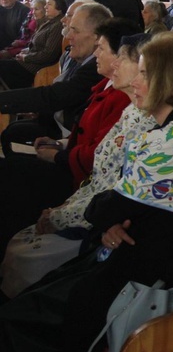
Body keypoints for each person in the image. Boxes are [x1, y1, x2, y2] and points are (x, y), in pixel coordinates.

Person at [0, 32, 173, 352]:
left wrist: (110, 217)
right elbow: (117, 205)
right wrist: (112, 219)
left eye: (145, 73)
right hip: (141, 249)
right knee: (34, 300)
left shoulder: (170, 141)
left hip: (153, 274)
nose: (135, 79)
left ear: (169, 80)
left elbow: (105, 206)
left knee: (24, 319)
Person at [0, 36, 154, 298]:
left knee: (10, 181)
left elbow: (106, 179)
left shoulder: (137, 112)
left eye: (104, 49)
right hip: (87, 194)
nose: (109, 60)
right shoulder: (131, 109)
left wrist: (61, 214)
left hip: (91, 205)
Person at [0, 2, 111, 151]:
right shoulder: (79, 58)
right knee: (13, 131)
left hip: (70, 137)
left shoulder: (96, 68)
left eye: (75, 30)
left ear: (97, 37)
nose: (68, 35)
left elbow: (57, 95)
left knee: (13, 136)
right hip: (58, 125)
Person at [0, 0, 65, 89]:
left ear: (59, 6)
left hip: (36, 67)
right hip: (29, 62)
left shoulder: (58, 25)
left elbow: (48, 55)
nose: (46, 6)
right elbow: (35, 45)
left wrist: (26, 57)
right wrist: (25, 51)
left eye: (49, 4)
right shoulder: (49, 22)